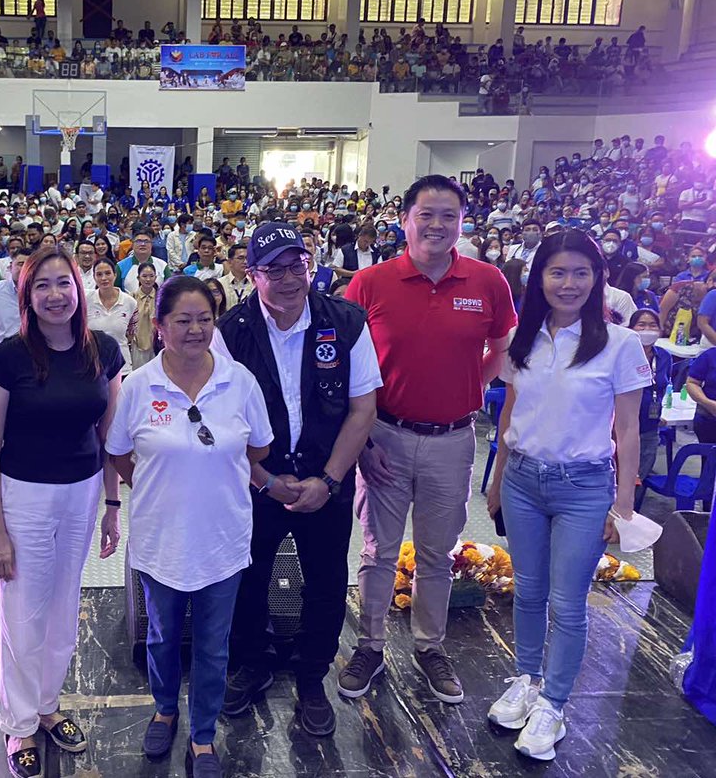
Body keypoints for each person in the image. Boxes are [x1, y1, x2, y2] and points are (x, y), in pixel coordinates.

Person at [341, 175, 516, 705]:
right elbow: (348, 364)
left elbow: (503, 349)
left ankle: (429, 646)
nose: (437, 225)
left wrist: (468, 388)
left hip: (453, 440)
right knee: (377, 552)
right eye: (426, 214)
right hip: (385, 436)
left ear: (462, 223)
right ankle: (370, 646)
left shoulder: (488, 282)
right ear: (404, 220)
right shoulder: (371, 283)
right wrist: (362, 437)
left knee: (438, 553)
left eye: (449, 215)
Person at [485, 228, 647, 762]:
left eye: (581, 272)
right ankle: (526, 680)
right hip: (524, 480)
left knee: (567, 602)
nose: (569, 283)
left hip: (583, 485)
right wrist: (497, 478)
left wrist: (622, 503)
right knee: (527, 591)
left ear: (598, 277)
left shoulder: (619, 343)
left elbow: (627, 428)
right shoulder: (524, 338)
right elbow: (510, 410)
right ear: (539, 279)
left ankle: (553, 704)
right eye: (557, 272)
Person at [219, 222, 381, 738]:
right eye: (275, 269)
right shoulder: (230, 331)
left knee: (327, 582)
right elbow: (221, 422)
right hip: (256, 485)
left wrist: (329, 482)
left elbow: (362, 410)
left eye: (299, 266)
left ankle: (313, 677)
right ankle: (251, 663)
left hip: (325, 482)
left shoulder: (346, 321)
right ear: (251, 273)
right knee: (247, 577)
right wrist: (265, 480)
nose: (290, 279)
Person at [107, 277, 274, 777]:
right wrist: (158, 488)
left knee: (212, 643)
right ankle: (164, 708)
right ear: (159, 327)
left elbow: (259, 450)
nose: (195, 329)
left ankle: (203, 737)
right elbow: (117, 453)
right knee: (161, 636)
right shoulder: (139, 387)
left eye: (205, 319)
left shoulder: (239, 381)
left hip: (223, 539)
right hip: (160, 540)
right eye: (182, 320)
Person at [0, 247, 123, 778]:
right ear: (27, 296)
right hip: (25, 496)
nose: (56, 295)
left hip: (82, 492)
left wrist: (111, 505)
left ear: (79, 289)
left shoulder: (103, 350)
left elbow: (111, 437)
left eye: (64, 283)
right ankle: (17, 724)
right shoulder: (8, 357)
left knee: (64, 607)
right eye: (43, 286)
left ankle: (46, 704)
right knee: (24, 610)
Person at [628, 308, 671, 480]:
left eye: (653, 325)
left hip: (650, 426)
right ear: (631, 329)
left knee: (642, 475)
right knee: (622, 476)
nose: (648, 329)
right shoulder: (624, 355)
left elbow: (661, 386)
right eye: (642, 325)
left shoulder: (664, 357)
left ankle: (636, 507)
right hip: (624, 426)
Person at [86, 257, 137, 376]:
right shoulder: (86, 301)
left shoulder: (130, 302)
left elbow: (131, 334)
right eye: (99, 274)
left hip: (122, 368)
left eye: (108, 273)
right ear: (94, 277)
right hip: (93, 367)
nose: (104, 278)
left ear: (115, 274)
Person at [0, 247, 30, 341]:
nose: (25, 269)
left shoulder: (40, 294)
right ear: (11, 267)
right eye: (20, 264)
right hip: (1, 350)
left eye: (29, 265)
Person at [129, 261, 159, 371]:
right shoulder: (131, 298)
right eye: (144, 276)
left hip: (156, 344)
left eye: (151, 276)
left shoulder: (161, 297)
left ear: (155, 277)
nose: (148, 279)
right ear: (138, 278)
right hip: (137, 344)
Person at [687, 343, 716, 443]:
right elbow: (692, 383)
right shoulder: (709, 356)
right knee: (710, 456)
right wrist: (707, 403)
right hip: (710, 417)